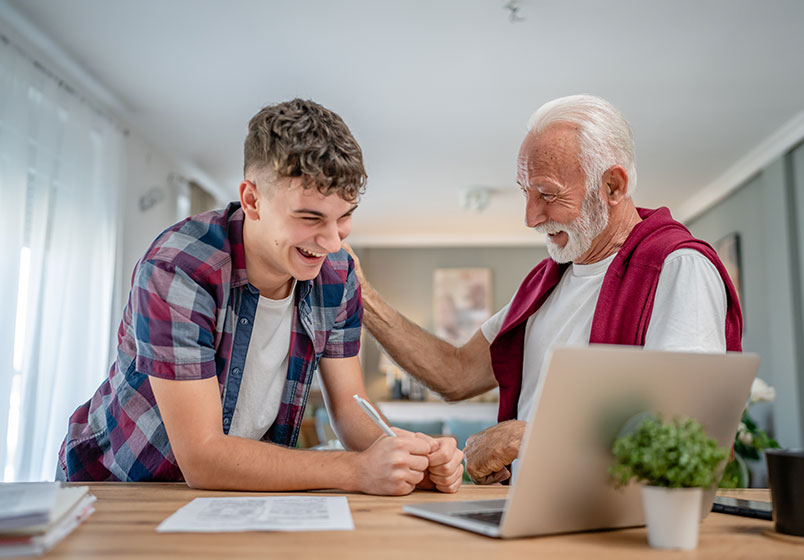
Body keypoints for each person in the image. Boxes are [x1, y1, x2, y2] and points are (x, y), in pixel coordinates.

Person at [58, 99, 463, 495]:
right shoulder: (178, 269)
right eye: (310, 218)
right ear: (252, 200)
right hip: (113, 488)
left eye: (345, 216)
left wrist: (412, 455)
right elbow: (201, 456)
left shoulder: (337, 276)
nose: (332, 241)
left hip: (230, 492)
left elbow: (352, 414)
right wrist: (355, 469)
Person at [343, 94, 742, 485]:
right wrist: (359, 289)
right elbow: (457, 373)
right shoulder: (547, 280)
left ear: (614, 186)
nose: (530, 217)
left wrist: (523, 438)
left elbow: (692, 436)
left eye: (547, 194)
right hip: (534, 514)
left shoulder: (678, 266)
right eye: (525, 192)